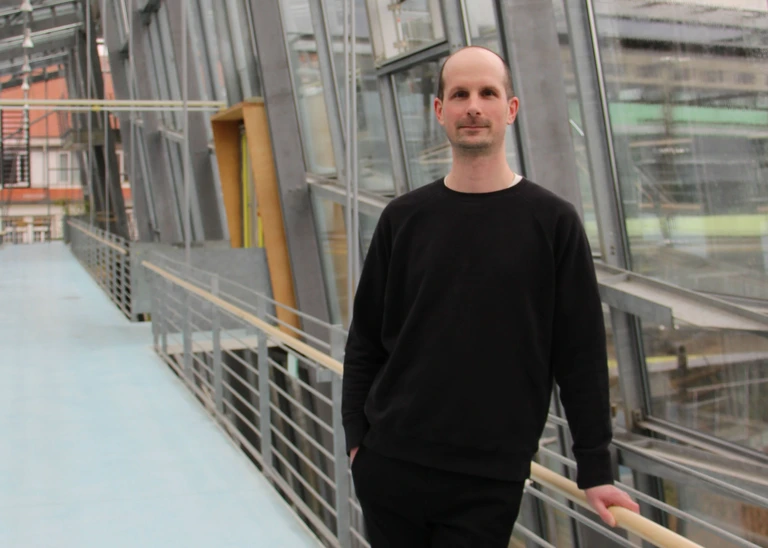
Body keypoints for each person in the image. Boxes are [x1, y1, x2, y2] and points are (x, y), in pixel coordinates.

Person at [342, 46, 639, 547]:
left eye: (487, 93)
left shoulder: (553, 223)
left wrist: (595, 468)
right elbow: (366, 339)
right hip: (389, 466)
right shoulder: (403, 218)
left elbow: (581, 355)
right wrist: (357, 441)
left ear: (511, 109)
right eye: (459, 94)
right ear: (440, 112)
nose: (473, 106)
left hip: (488, 480)